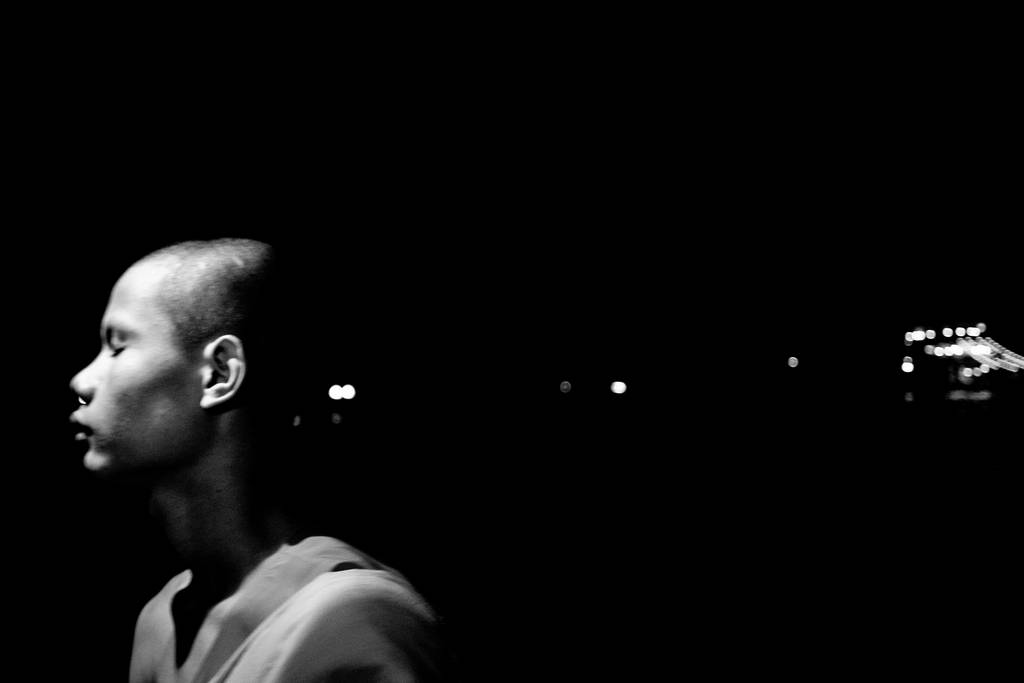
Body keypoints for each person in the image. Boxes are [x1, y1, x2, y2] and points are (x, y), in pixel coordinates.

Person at [69, 238, 447, 682]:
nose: (82, 380)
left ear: (220, 373)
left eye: (117, 347)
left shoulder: (355, 620)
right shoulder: (160, 621)